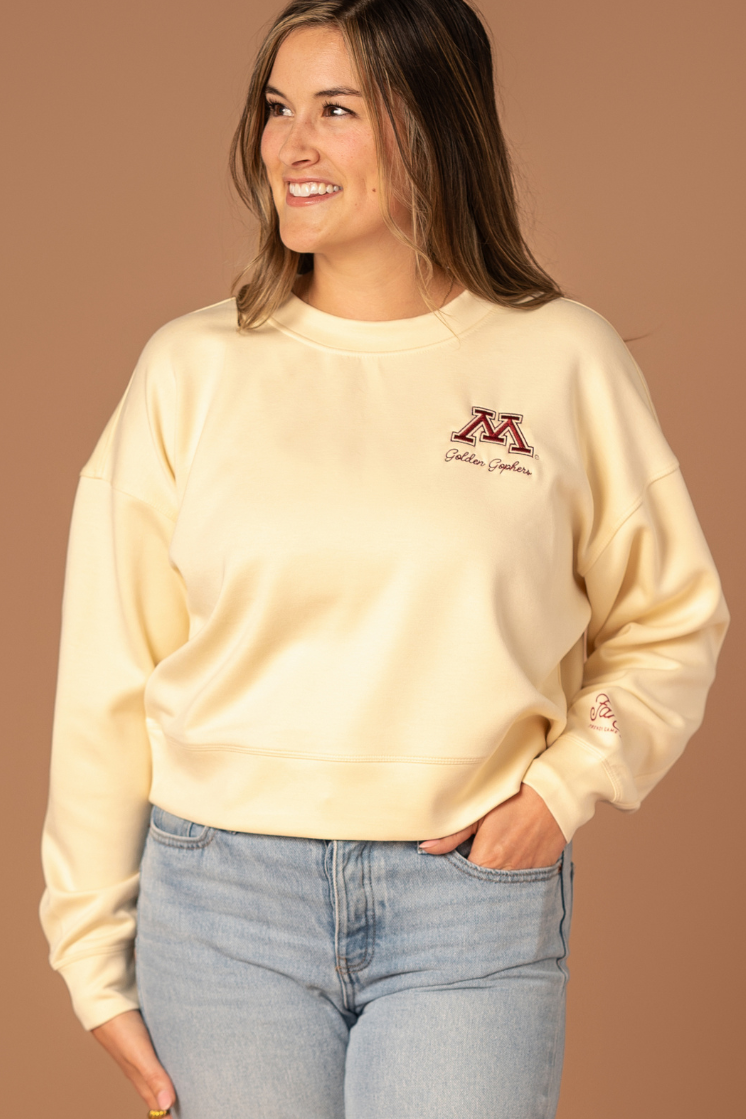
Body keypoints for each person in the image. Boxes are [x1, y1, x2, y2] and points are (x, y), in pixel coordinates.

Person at [39, 0, 729, 1116]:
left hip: (469, 903)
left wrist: (566, 784)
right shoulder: (190, 372)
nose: (290, 147)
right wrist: (87, 952)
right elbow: (107, 679)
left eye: (335, 111)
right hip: (220, 909)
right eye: (276, 109)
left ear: (433, 128)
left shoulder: (560, 359)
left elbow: (670, 620)